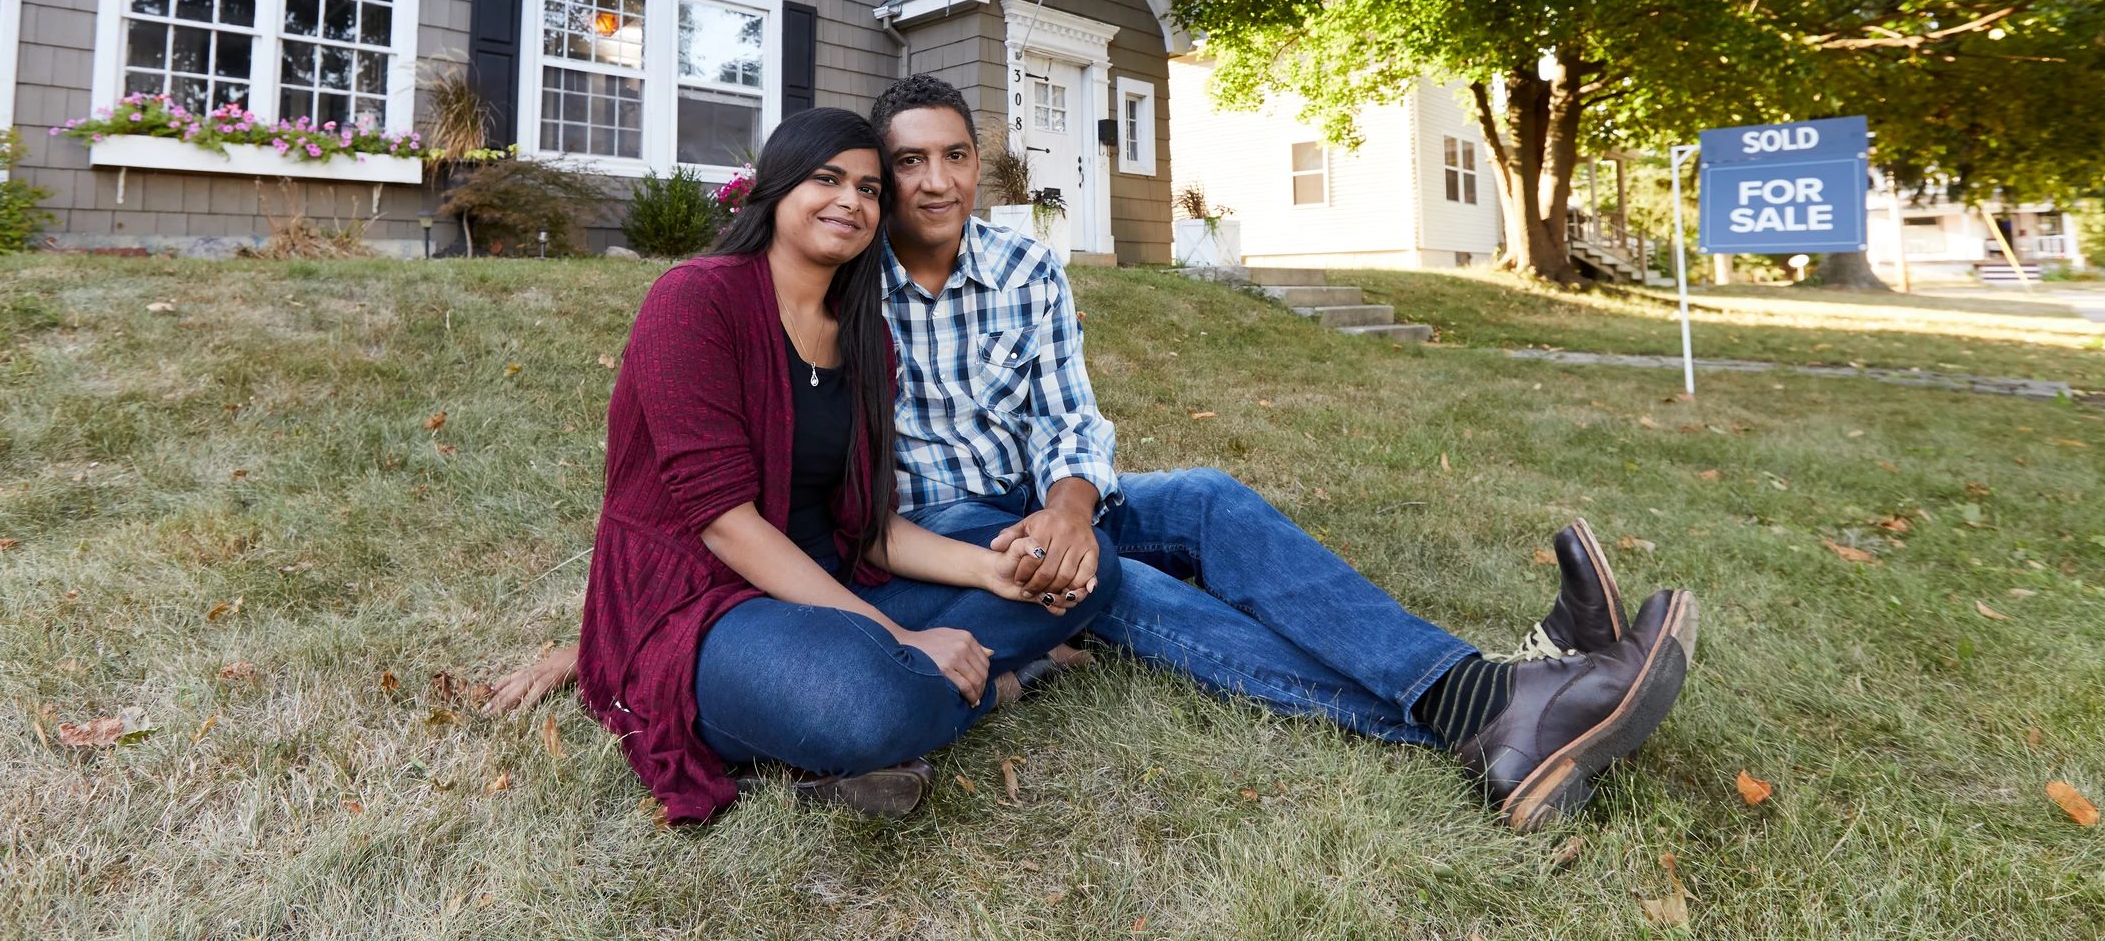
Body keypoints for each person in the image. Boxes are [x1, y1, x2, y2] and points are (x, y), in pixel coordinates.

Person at [496, 78, 1697, 833]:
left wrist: (1067, 511)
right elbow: (713, 517)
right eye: (865, 172)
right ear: (778, 189)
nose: (892, 190)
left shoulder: (946, 292)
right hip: (899, 555)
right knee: (1107, 592)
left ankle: (1488, 687)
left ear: (977, 166)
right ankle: (1486, 710)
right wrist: (603, 633)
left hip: (986, 526)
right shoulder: (753, 300)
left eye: (921, 163)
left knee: (1200, 506)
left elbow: (1037, 433)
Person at [550, 106, 1118, 824]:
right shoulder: (695, 301)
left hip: (838, 585)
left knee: (1083, 577)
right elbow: (726, 527)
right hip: (701, 610)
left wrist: (992, 571)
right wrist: (904, 639)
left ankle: (879, 711)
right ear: (778, 188)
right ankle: (1000, 685)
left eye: (871, 188)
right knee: (870, 703)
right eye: (828, 178)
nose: (852, 200)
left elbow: (870, 528)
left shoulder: (864, 338)